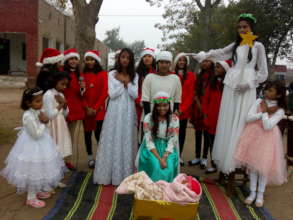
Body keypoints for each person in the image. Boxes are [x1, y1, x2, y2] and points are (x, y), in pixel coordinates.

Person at [193, 13, 268, 174]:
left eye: (245, 26)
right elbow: (220, 53)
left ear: (251, 28)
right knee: (229, 119)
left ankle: (239, 160)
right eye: (239, 27)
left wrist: (249, 84)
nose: (242, 29)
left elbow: (263, 73)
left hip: (246, 85)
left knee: (241, 120)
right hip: (232, 84)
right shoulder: (236, 45)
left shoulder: (258, 46)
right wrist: (205, 55)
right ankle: (226, 158)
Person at [1, 87, 65, 208]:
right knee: (32, 169)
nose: (40, 103)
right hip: (32, 145)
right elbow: (36, 134)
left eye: (41, 100)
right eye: (37, 101)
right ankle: (31, 197)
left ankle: (38, 190)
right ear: (28, 103)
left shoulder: (37, 111)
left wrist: (48, 117)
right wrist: (43, 123)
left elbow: (47, 118)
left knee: (41, 167)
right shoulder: (28, 116)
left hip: (43, 144)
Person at [234, 81, 287, 207]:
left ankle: (260, 194)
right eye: (267, 89)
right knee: (253, 166)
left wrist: (264, 113)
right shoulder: (258, 102)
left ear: (278, 95)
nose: (267, 92)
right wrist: (262, 112)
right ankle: (252, 193)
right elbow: (248, 118)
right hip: (253, 136)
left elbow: (268, 126)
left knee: (263, 168)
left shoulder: (280, 110)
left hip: (268, 140)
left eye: (271, 90)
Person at [93, 48, 138, 185]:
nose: (125, 59)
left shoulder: (134, 76)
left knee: (125, 137)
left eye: (127, 58)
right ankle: (108, 174)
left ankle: (124, 175)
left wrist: (126, 82)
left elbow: (135, 94)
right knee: (112, 137)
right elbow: (112, 93)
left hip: (128, 110)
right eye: (122, 57)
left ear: (131, 60)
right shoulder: (112, 74)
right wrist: (122, 83)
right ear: (119, 59)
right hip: (114, 109)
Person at [137, 91, 180, 182]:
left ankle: (166, 192)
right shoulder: (148, 118)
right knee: (155, 164)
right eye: (159, 106)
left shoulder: (174, 119)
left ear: (169, 105)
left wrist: (164, 157)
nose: (162, 108)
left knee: (169, 167)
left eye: (165, 105)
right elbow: (148, 140)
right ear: (155, 106)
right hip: (152, 147)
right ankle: (152, 191)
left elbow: (173, 139)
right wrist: (159, 159)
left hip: (168, 148)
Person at [202, 60, 231, 173]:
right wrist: (205, 114)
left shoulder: (228, 85)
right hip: (211, 118)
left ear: (225, 69)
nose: (216, 69)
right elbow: (205, 99)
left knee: (222, 142)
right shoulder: (212, 83)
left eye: (218, 67)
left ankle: (222, 164)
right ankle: (214, 164)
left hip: (223, 118)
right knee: (212, 142)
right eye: (216, 67)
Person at [82, 50, 108, 168]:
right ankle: (90, 157)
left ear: (96, 60)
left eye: (92, 59)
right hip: (86, 111)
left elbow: (104, 92)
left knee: (99, 135)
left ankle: (101, 157)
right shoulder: (82, 75)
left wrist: (96, 108)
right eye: (87, 59)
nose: (90, 62)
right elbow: (80, 93)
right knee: (87, 134)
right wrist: (87, 107)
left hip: (99, 111)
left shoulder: (102, 74)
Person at [42, 71, 73, 170]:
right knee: (52, 147)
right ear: (54, 82)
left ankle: (58, 169)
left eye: (66, 85)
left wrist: (65, 104)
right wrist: (60, 104)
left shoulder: (61, 95)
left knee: (60, 147)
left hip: (60, 124)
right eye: (62, 84)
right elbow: (49, 115)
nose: (64, 87)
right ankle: (50, 170)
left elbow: (66, 113)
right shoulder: (48, 94)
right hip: (52, 126)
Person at [188, 58, 214, 169]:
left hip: (209, 108)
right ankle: (197, 156)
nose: (205, 63)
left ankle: (204, 158)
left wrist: (205, 107)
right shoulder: (198, 76)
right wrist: (198, 103)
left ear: (212, 62)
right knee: (198, 133)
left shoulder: (214, 76)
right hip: (198, 107)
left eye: (207, 61)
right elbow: (195, 92)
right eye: (203, 61)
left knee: (207, 134)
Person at [62, 49, 85, 169]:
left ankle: (67, 160)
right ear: (67, 60)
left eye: (75, 59)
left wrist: (82, 88)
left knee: (70, 136)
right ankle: (58, 161)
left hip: (75, 109)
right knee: (60, 135)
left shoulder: (79, 75)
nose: (73, 61)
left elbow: (81, 94)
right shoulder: (61, 72)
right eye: (71, 59)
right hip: (63, 107)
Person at [142, 51, 182, 115]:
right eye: (161, 62)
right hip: (150, 115)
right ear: (157, 63)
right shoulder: (149, 77)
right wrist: (149, 118)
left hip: (169, 116)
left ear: (170, 64)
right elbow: (145, 99)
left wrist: (172, 116)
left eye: (167, 62)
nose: (164, 65)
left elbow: (177, 100)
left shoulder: (175, 79)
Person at [173, 53, 195, 166]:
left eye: (184, 60)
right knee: (172, 133)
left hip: (184, 111)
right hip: (172, 109)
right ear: (176, 62)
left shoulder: (191, 75)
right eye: (180, 60)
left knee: (181, 133)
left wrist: (181, 109)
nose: (182, 62)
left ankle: (179, 155)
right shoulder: (171, 75)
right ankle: (171, 154)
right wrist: (174, 108)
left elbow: (190, 94)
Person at [136, 48, 156, 127]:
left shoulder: (157, 72)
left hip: (154, 104)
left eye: (149, 56)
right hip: (139, 105)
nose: (147, 58)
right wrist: (140, 101)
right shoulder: (137, 73)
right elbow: (135, 90)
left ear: (153, 58)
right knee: (141, 127)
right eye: (144, 56)